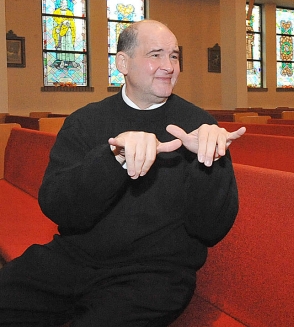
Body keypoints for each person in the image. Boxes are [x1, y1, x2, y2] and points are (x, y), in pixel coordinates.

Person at [0, 20, 245, 326]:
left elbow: (210, 230)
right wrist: (113, 157)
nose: (169, 66)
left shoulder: (199, 126)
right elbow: (60, 207)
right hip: (74, 259)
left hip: (153, 276)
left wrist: (210, 160)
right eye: (155, 55)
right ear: (123, 63)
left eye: (174, 56)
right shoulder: (85, 121)